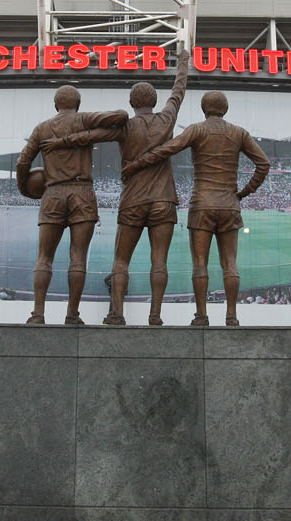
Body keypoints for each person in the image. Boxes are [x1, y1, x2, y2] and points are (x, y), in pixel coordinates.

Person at [42, 50, 188, 325]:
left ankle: (117, 313)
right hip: (163, 200)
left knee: (121, 261)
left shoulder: (125, 127)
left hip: (133, 200)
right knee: (159, 261)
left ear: (131, 103)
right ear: (154, 101)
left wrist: (62, 141)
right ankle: (155, 316)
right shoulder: (167, 118)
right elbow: (178, 91)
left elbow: (91, 136)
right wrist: (182, 62)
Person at [123, 91, 270, 326]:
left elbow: (168, 149)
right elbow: (264, 164)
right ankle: (231, 317)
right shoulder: (239, 132)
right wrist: (244, 192)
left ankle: (201, 316)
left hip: (202, 204)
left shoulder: (197, 129)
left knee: (200, 263)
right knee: (230, 263)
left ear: (204, 109)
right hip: (229, 204)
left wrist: (138, 163)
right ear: (225, 109)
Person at [16, 87, 128, 325]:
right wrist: (87, 134)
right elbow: (121, 116)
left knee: (44, 257)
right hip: (81, 192)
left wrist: (25, 189)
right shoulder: (84, 119)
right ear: (77, 104)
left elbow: (22, 162)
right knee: (78, 257)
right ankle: (72, 314)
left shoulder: (42, 128)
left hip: (53, 192)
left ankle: (38, 314)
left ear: (56, 104)